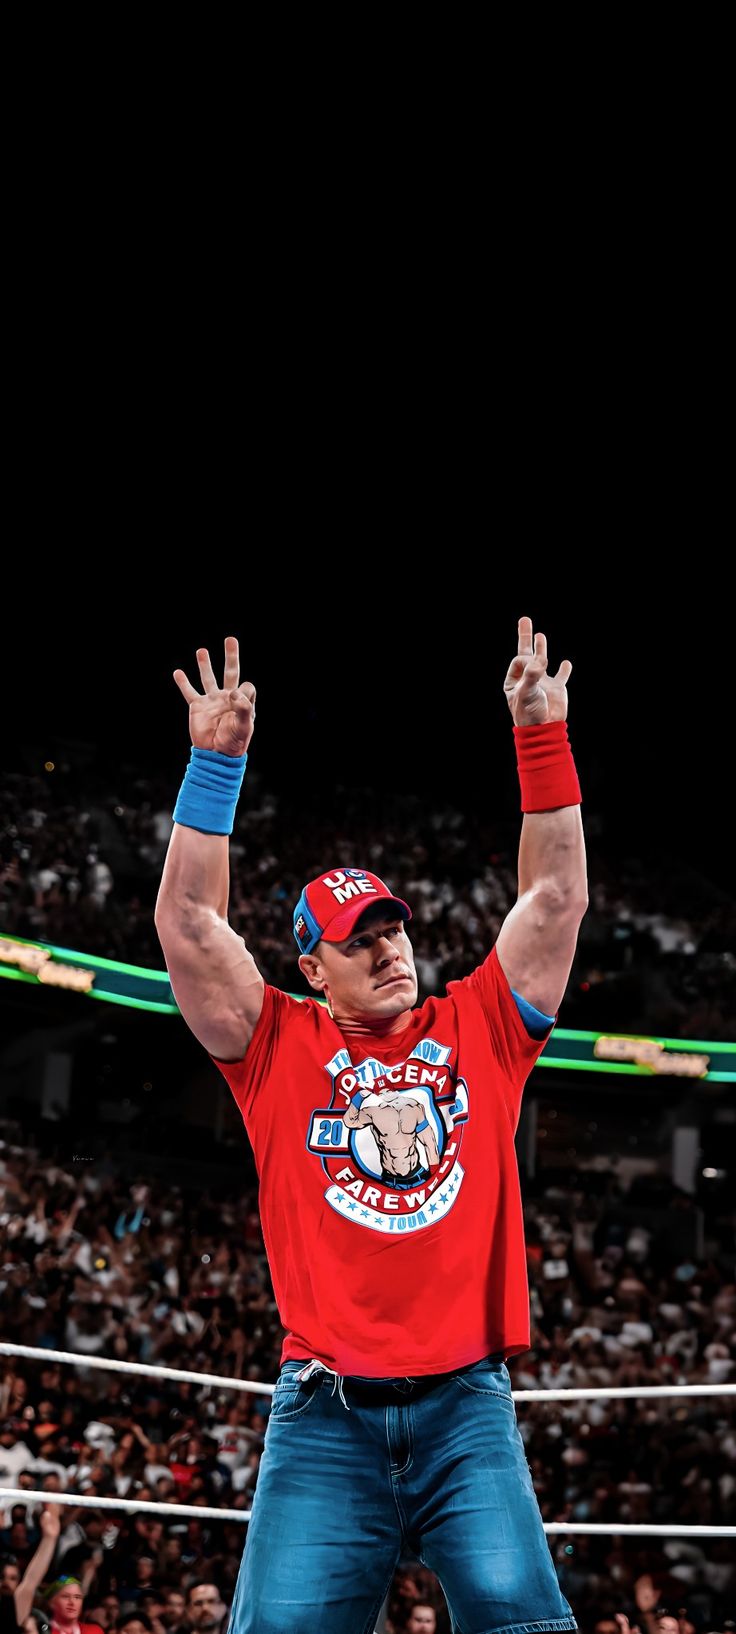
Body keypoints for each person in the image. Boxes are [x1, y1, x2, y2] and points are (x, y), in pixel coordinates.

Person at [155, 618, 588, 1634]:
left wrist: (540, 736)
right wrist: (214, 766)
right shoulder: (276, 1043)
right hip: (325, 1413)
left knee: (526, 1622)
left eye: (393, 927)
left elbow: (557, 895)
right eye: (361, 940)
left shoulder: (481, 1022)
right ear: (314, 966)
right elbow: (187, 926)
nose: (390, 948)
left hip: (464, 1407)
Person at [0, 1506, 60, 1634]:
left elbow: (31, 1581)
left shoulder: (16, 1606)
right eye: (2, 1576)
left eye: (13, 1578)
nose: (6, 1582)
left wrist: (49, 1539)